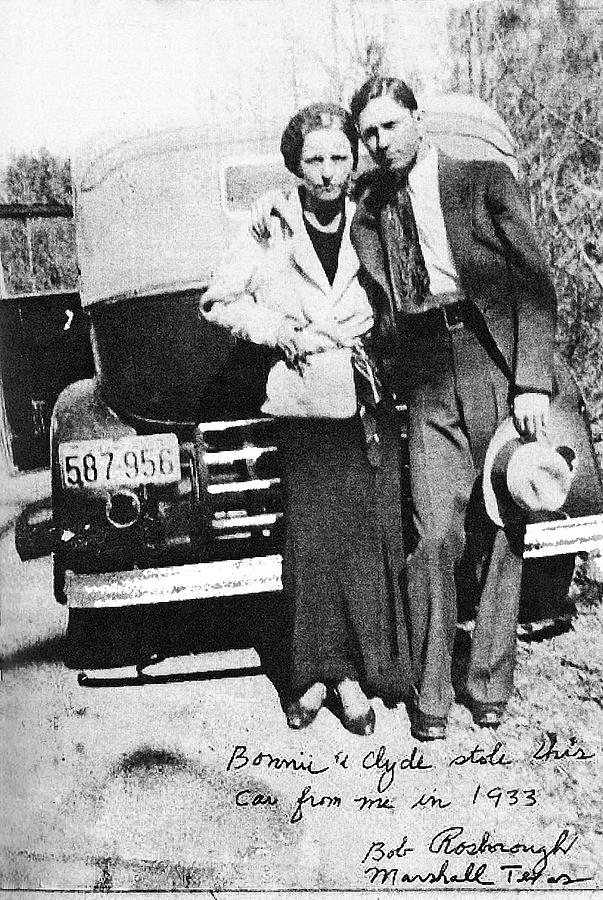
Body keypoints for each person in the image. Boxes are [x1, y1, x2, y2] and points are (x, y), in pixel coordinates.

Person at [348, 76, 557, 740]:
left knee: (504, 525)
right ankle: (431, 693)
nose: (379, 141)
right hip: (425, 379)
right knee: (435, 533)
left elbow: (533, 284)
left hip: (491, 363)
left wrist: (530, 382)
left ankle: (488, 683)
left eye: (388, 125)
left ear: (417, 120)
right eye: (368, 133)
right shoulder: (367, 214)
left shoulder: (483, 181)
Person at [200, 102, 413, 735]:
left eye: (338, 157)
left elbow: (400, 287)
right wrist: (278, 330)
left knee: (364, 541)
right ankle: (313, 675)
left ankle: (354, 677)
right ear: (296, 163)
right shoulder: (271, 226)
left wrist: (371, 333)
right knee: (312, 541)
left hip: (364, 394)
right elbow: (217, 300)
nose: (326, 172)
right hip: (300, 395)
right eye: (313, 159)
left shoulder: (372, 217)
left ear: (354, 162)